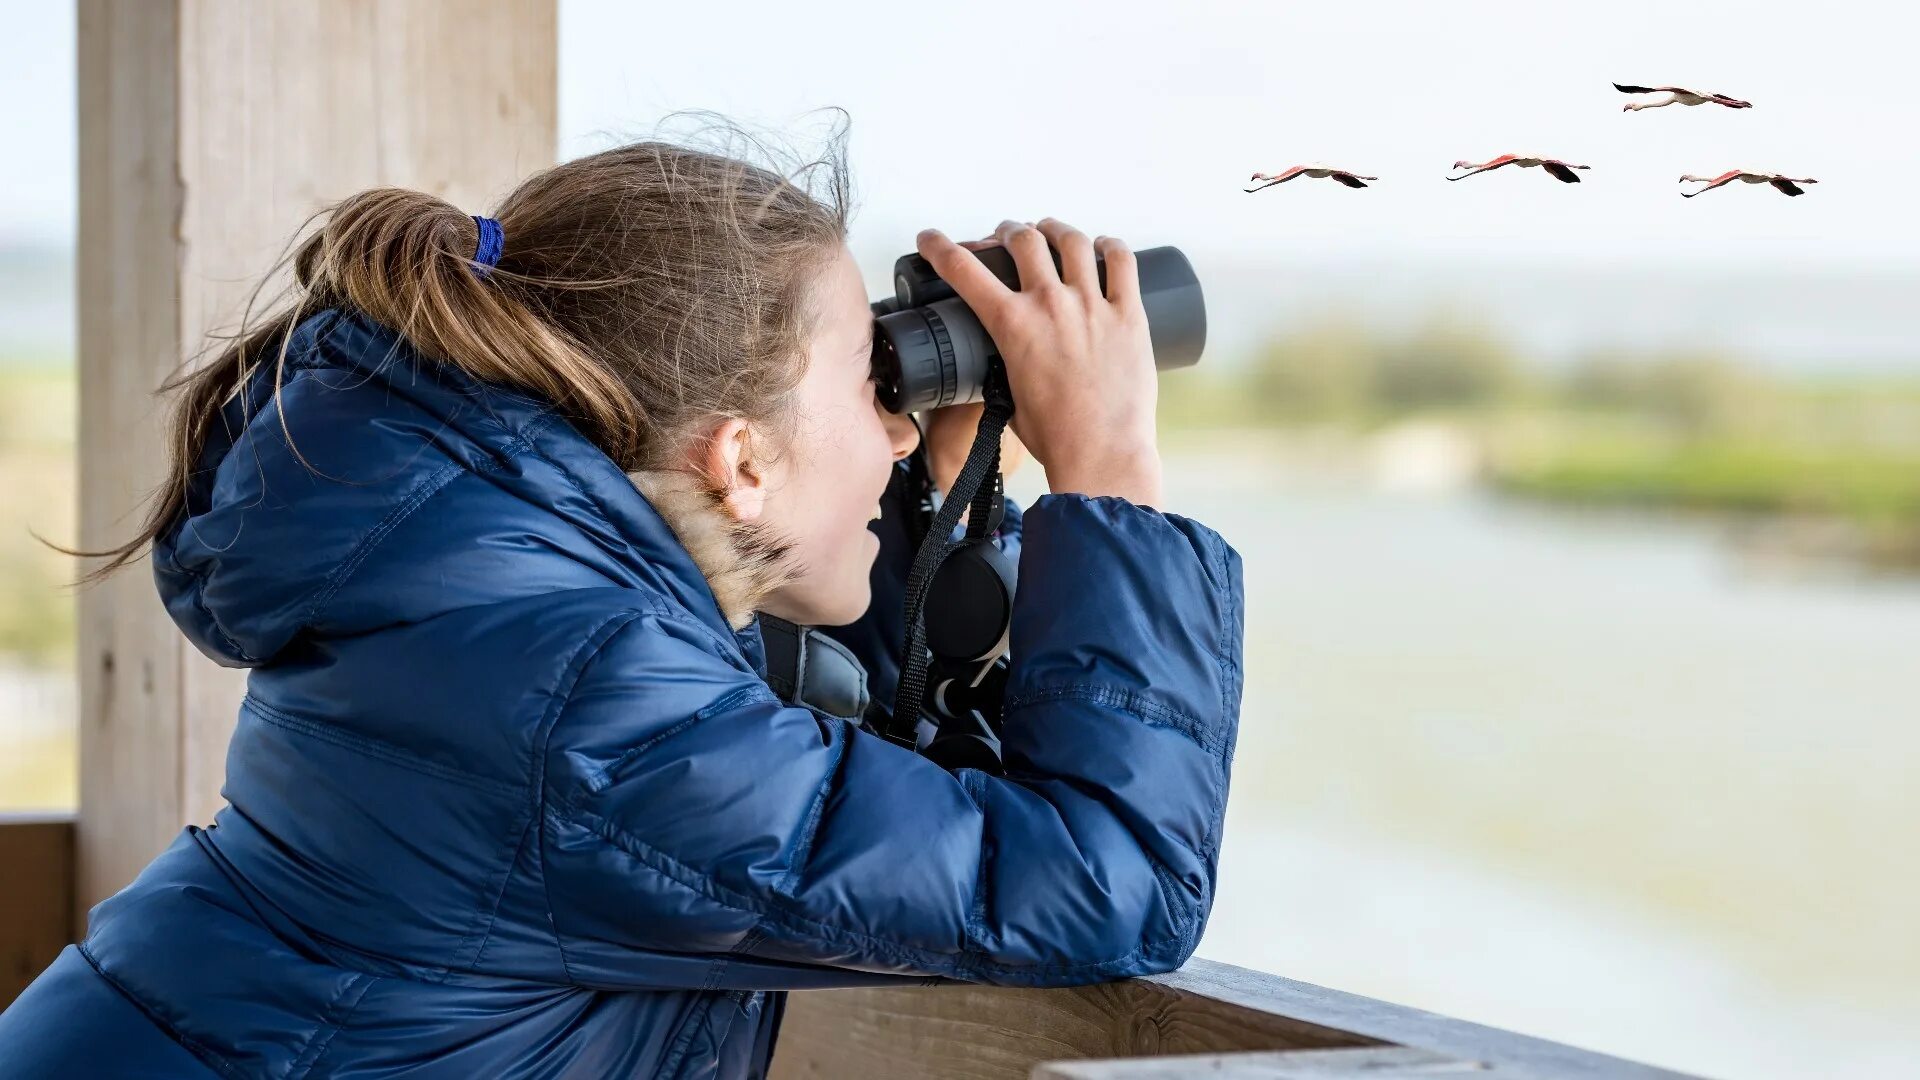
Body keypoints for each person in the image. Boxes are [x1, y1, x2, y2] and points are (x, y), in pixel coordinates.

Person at [0, 131, 1245, 1079]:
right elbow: (1109, 884)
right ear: (741, 458)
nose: (898, 417)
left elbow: (849, 799)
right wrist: (1115, 473)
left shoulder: (498, 602)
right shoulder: (582, 705)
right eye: (873, 385)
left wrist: (933, 492)